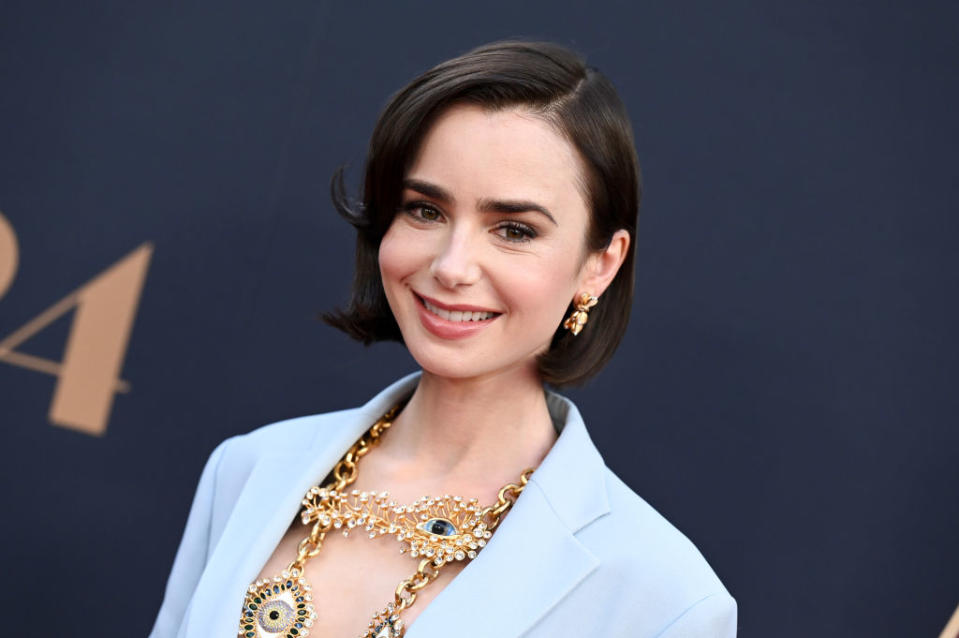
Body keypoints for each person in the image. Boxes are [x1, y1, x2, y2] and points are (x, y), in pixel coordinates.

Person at [149, 40, 736, 638]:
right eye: (426, 211)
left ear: (599, 265)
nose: (453, 266)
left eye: (513, 229)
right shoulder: (248, 470)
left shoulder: (664, 598)